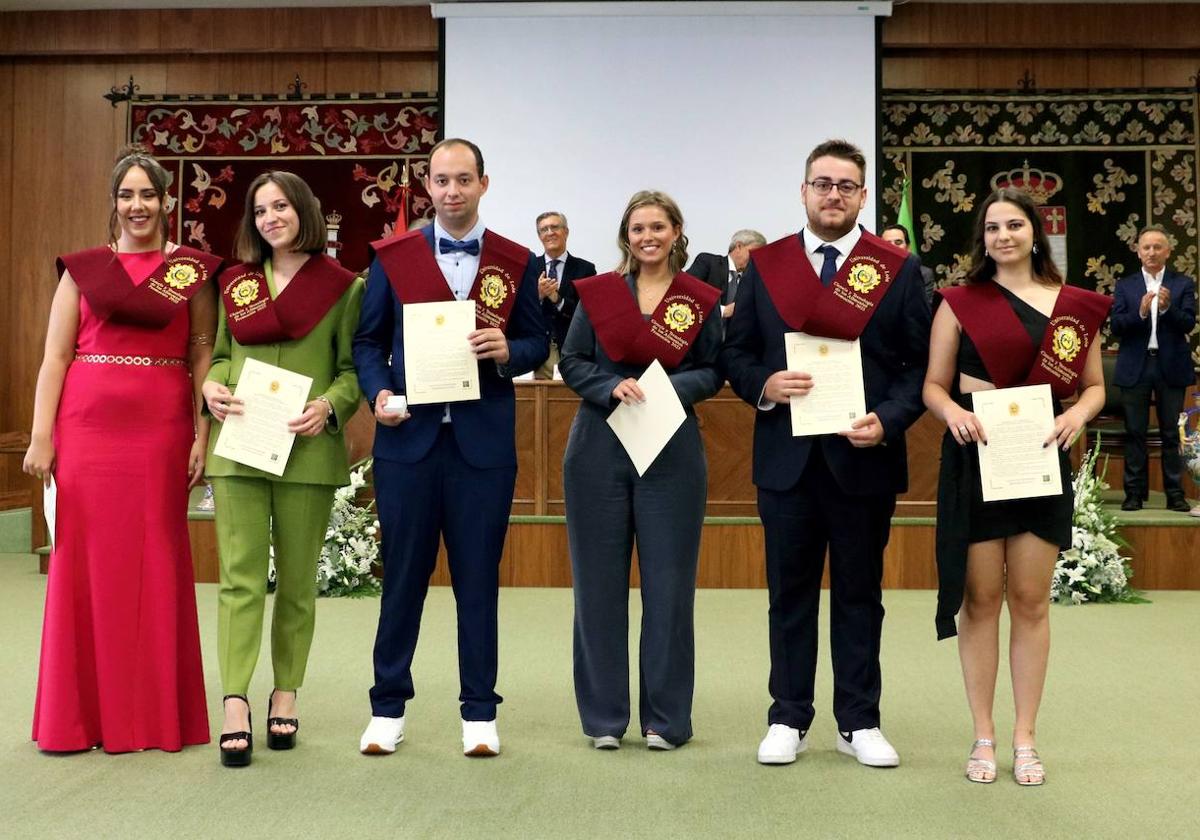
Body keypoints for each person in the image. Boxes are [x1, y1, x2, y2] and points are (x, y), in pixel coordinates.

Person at [720, 139, 930, 768]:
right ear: (803, 191)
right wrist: (763, 385)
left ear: (862, 196)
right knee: (789, 593)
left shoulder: (894, 267)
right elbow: (736, 352)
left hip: (863, 456)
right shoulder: (769, 265)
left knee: (861, 594)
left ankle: (858, 720)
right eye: (822, 184)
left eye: (845, 186)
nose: (832, 195)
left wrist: (889, 421)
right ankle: (788, 716)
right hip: (786, 461)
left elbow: (917, 364)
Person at [354, 138, 549, 758]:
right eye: (441, 180)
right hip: (407, 441)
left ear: (484, 185)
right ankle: (387, 707)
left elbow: (538, 342)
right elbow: (367, 343)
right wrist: (378, 393)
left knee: (477, 581)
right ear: (427, 185)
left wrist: (508, 352)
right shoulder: (394, 257)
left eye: (464, 180)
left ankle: (480, 711)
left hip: (480, 448)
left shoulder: (514, 261)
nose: (452, 191)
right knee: (403, 580)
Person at [24, 144, 220, 753]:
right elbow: (56, 356)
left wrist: (202, 435)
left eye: (148, 194)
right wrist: (39, 435)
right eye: (126, 195)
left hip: (161, 431)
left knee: (157, 562)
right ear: (113, 204)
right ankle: (76, 718)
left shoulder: (190, 271)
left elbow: (202, 354)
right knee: (83, 565)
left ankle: (155, 717)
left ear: (167, 201)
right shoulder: (83, 271)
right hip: (86, 431)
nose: (138, 205)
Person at [924, 188, 1110, 785]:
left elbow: (1093, 387)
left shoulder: (1073, 307)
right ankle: (984, 735)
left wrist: (1078, 416)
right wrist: (950, 412)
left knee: (1029, 602)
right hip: (976, 457)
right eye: (992, 227)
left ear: (1036, 233)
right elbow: (933, 384)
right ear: (982, 238)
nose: (1003, 235)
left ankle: (1026, 737)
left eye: (1014, 225)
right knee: (980, 601)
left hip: (1038, 456)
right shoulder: (957, 303)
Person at [202, 171, 364, 766]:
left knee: (296, 584)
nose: (271, 217)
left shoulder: (345, 288)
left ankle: (286, 691)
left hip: (306, 449)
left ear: (304, 212)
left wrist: (331, 405)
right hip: (240, 442)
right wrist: (212, 389)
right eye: (261, 209)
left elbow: (351, 370)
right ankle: (235, 701)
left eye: (282, 207)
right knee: (239, 579)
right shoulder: (236, 283)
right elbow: (221, 357)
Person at [560, 191, 723, 751]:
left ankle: (666, 720)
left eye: (658, 226)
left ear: (677, 231)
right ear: (625, 236)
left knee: (670, 589)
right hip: (598, 451)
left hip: (671, 450)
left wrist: (663, 388)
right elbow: (572, 362)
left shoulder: (698, 299)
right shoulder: (600, 295)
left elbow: (712, 371)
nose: (647, 236)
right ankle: (605, 719)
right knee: (598, 590)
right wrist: (611, 386)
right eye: (637, 228)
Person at [1110, 225, 1197, 512]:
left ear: (1168, 251)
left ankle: (1175, 494)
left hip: (1169, 365)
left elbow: (1188, 324)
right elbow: (1117, 327)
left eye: (1157, 247)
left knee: (1171, 432)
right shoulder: (1126, 286)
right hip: (1136, 365)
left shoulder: (1182, 284)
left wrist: (1165, 309)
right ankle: (1134, 493)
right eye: (1146, 247)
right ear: (1138, 251)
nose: (1151, 252)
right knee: (1134, 431)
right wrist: (1142, 313)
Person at [534, 211, 596, 378]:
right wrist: (538, 296)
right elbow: (520, 312)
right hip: (536, 353)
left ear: (566, 232)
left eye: (555, 227)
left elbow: (590, 314)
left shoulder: (586, 269)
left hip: (573, 353)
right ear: (539, 235)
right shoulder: (529, 267)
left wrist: (558, 299)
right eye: (544, 229)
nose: (550, 233)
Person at [686, 229, 767, 322]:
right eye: (754, 253)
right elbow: (685, 295)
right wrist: (723, 311)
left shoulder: (752, 281)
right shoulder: (708, 263)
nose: (756, 259)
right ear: (739, 246)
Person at [881, 224, 937, 306]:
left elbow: (924, 309)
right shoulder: (873, 271)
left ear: (908, 247)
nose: (893, 246)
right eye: (887, 243)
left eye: (898, 242)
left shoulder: (923, 273)